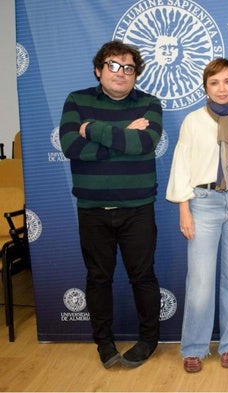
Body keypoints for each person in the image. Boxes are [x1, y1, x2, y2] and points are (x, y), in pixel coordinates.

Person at [59, 40, 163, 369]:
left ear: (136, 74)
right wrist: (122, 134)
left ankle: (148, 340)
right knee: (98, 279)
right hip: (92, 209)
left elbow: (145, 142)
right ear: (99, 70)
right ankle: (103, 342)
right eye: (113, 66)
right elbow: (70, 146)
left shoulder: (150, 103)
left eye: (128, 68)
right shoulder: (77, 100)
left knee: (143, 276)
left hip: (138, 208)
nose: (121, 73)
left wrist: (93, 130)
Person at [166, 58, 228, 373]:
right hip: (203, 202)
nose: (221, 88)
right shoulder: (193, 121)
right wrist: (184, 208)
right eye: (214, 82)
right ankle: (194, 347)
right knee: (199, 279)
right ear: (205, 87)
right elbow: (182, 165)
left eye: (227, 81)